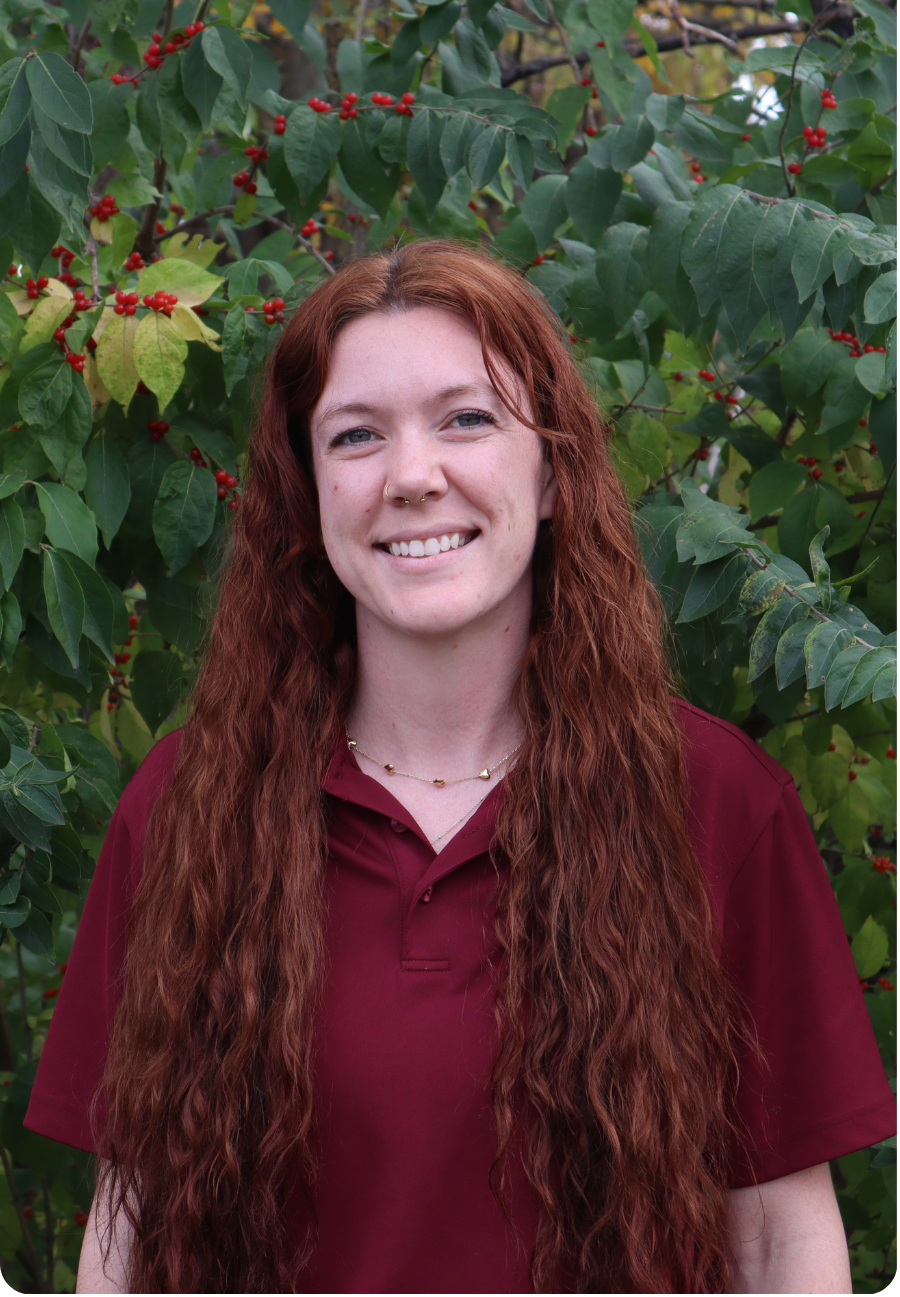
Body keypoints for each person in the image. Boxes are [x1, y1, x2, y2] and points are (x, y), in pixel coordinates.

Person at [25, 240, 894, 1295]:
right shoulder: (187, 808)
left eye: (467, 418)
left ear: (555, 464)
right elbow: (128, 1235)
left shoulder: (715, 804)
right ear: (307, 493)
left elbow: (780, 1245)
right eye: (356, 436)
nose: (413, 476)